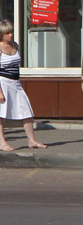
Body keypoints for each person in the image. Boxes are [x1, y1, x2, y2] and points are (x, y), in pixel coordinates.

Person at [0, 20, 47, 151]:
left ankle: (31, 140)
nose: (10, 35)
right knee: (1, 113)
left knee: (26, 109)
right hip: (2, 82)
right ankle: (2, 142)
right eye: (7, 33)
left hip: (15, 83)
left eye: (11, 32)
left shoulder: (15, 45)